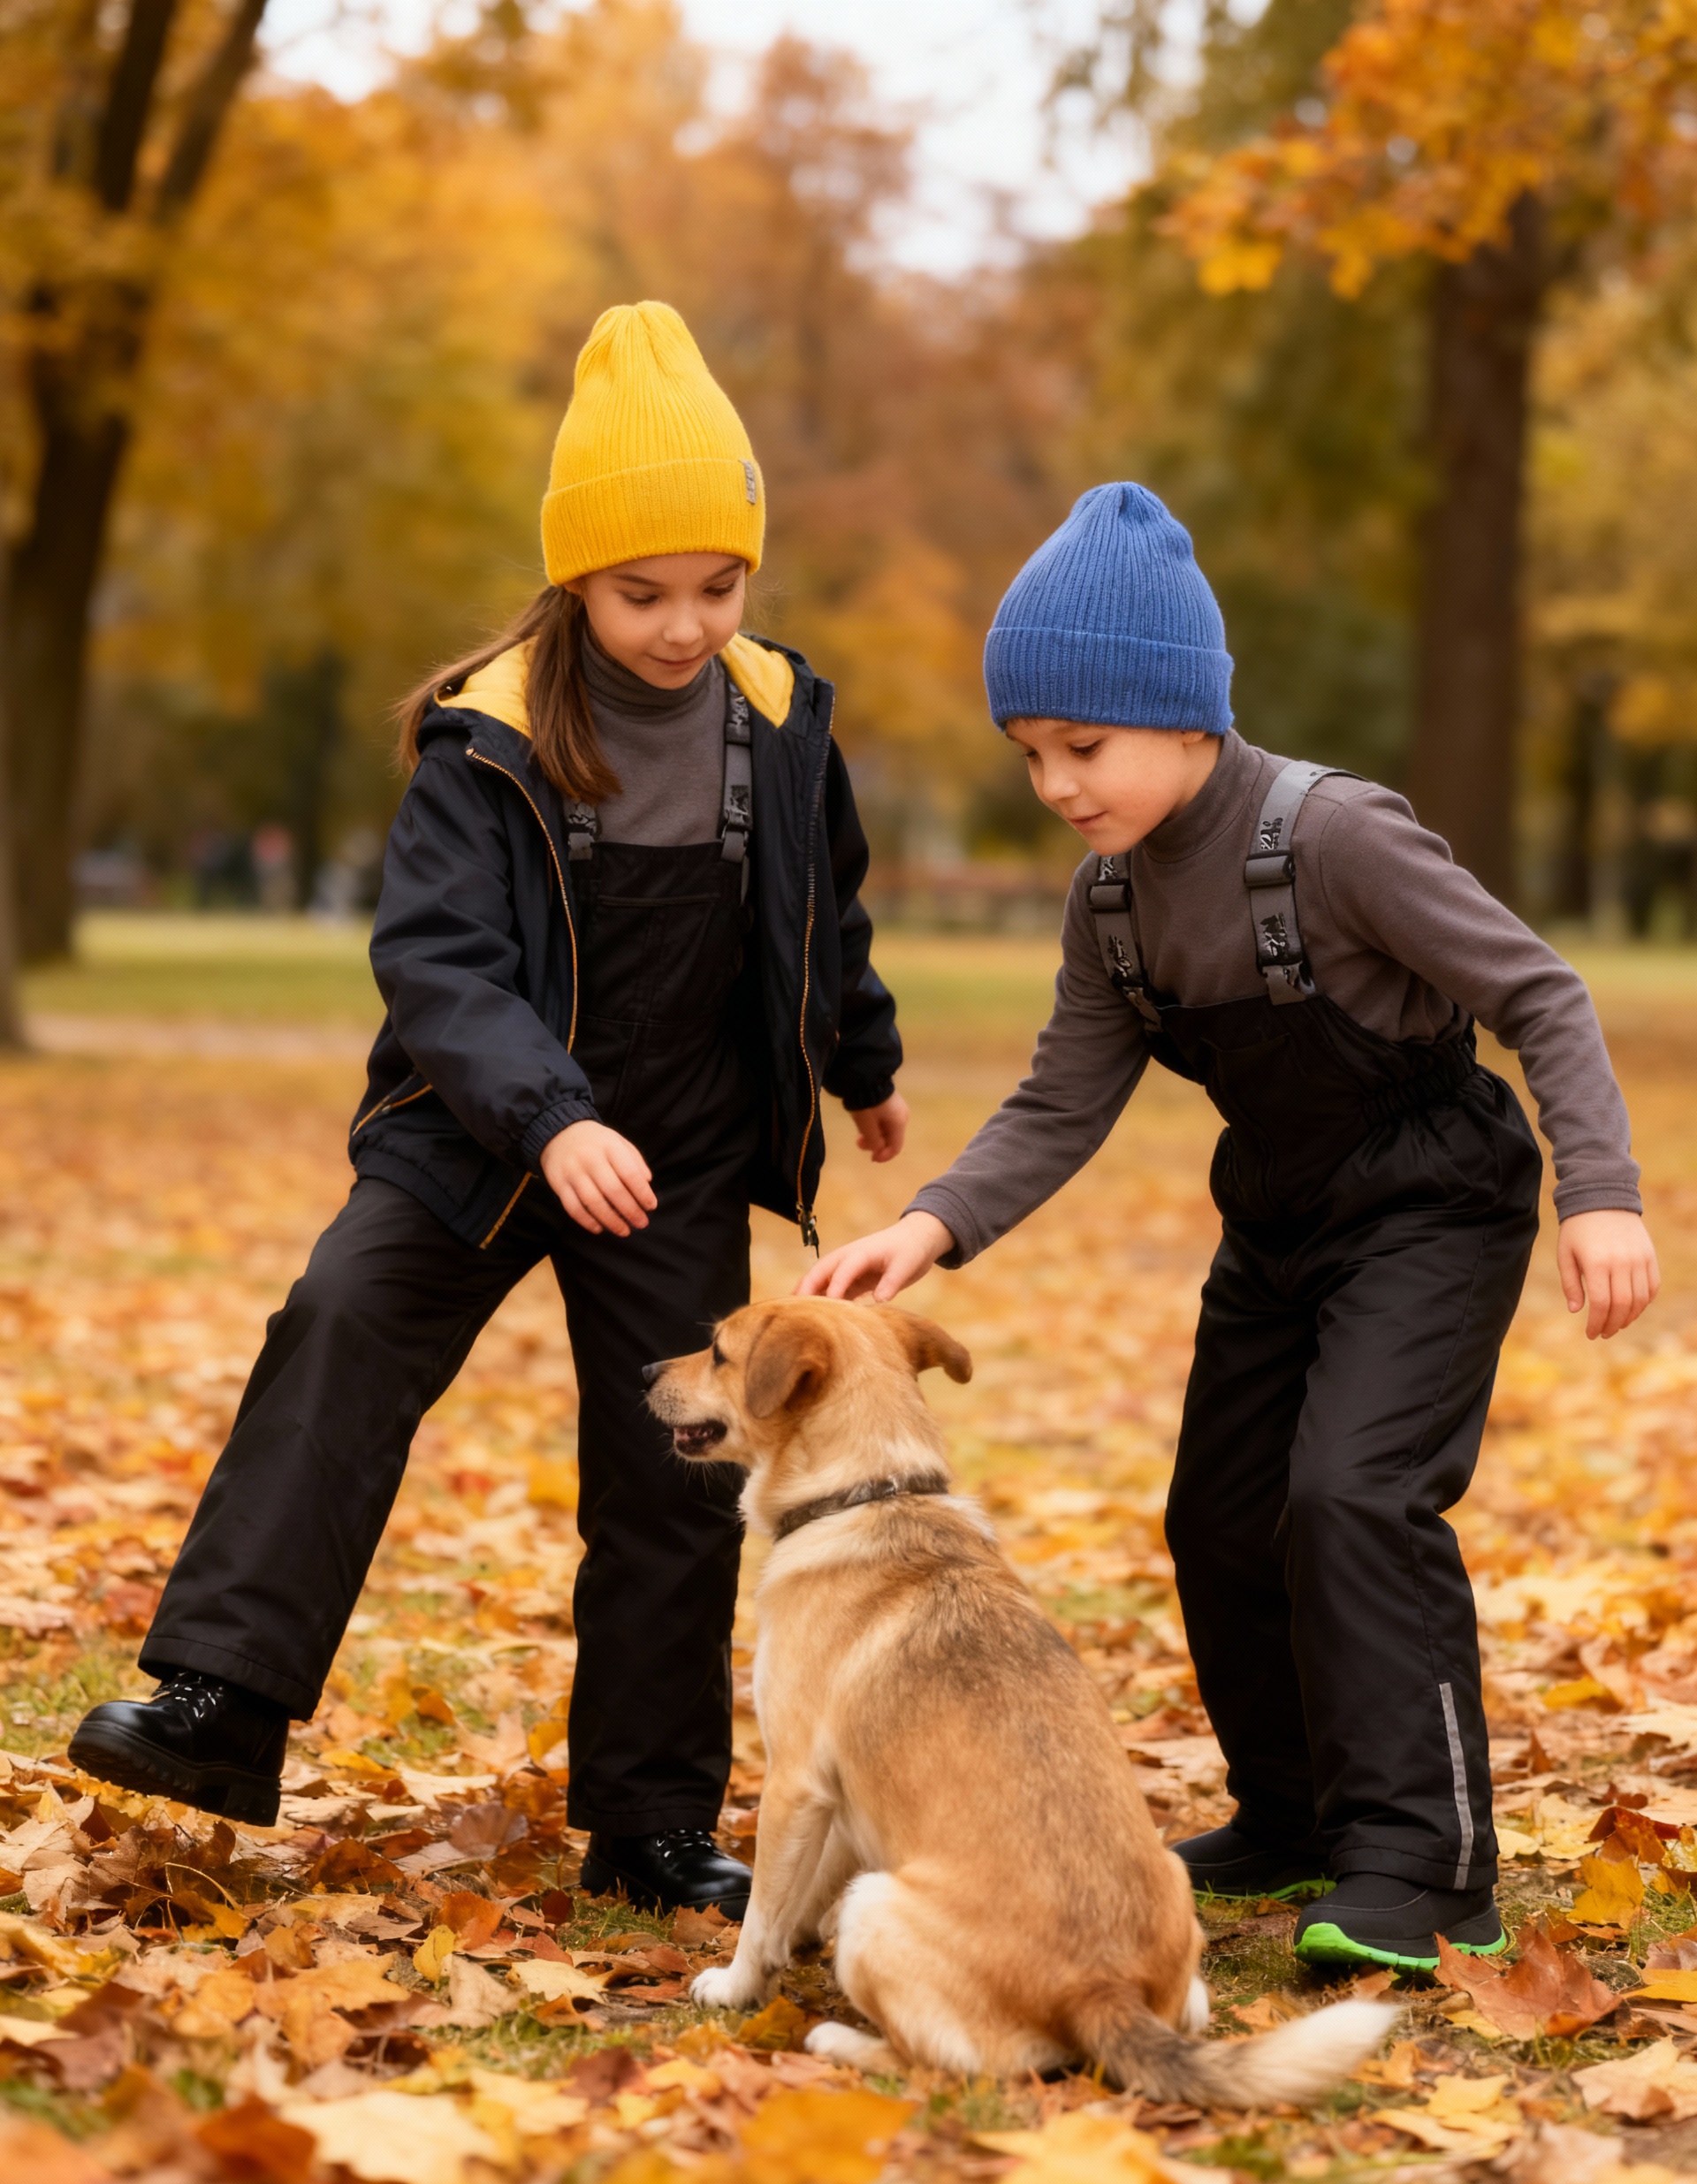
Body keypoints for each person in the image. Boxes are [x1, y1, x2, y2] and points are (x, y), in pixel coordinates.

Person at [71, 303, 907, 1921]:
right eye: (642, 592)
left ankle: (652, 1820)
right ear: (574, 578)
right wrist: (550, 1118)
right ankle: (222, 1700)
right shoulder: (490, 728)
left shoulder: (784, 718)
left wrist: (859, 1063)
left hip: (677, 1152)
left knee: (678, 1461)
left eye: (718, 586)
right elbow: (439, 963)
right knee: (339, 1324)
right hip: (475, 1128)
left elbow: (827, 913)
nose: (684, 625)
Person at [800, 482, 1658, 1972]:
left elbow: (1540, 993)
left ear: (1187, 712)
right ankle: (1294, 1814)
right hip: (1277, 1219)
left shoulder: (1335, 838)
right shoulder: (1110, 906)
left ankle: (1428, 1862)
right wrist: (928, 1229)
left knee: (1354, 1496)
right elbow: (1062, 1099)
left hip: (1436, 1201)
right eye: (1031, 754)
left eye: (1085, 747)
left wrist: (1603, 1193)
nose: (1057, 784)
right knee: (1220, 1513)